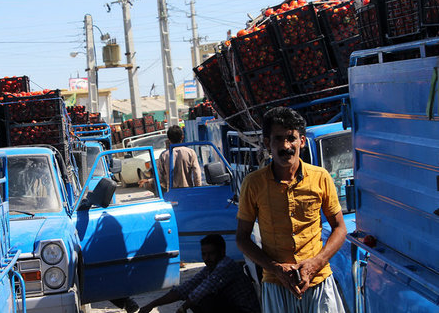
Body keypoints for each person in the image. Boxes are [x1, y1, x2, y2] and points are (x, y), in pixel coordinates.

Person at [236, 106, 347, 313]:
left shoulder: (320, 177)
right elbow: (242, 238)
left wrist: (315, 264)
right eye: (278, 139)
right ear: (268, 143)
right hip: (277, 284)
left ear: (302, 142)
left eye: (291, 138)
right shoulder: (253, 184)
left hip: (318, 281)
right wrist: (275, 268)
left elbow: (340, 228)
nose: (286, 146)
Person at [138, 234, 260, 313]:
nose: (207, 258)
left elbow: (204, 289)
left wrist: (183, 308)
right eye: (204, 254)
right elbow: (185, 288)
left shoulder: (226, 265)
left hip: (245, 310)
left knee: (204, 299)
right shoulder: (209, 269)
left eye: (211, 254)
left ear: (222, 252)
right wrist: (152, 304)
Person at [138, 125, 201, 193]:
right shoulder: (190, 152)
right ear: (182, 137)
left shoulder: (164, 155)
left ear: (169, 139)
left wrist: (168, 187)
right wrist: (197, 190)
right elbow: (197, 174)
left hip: (172, 193)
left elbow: (160, 179)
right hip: (188, 191)